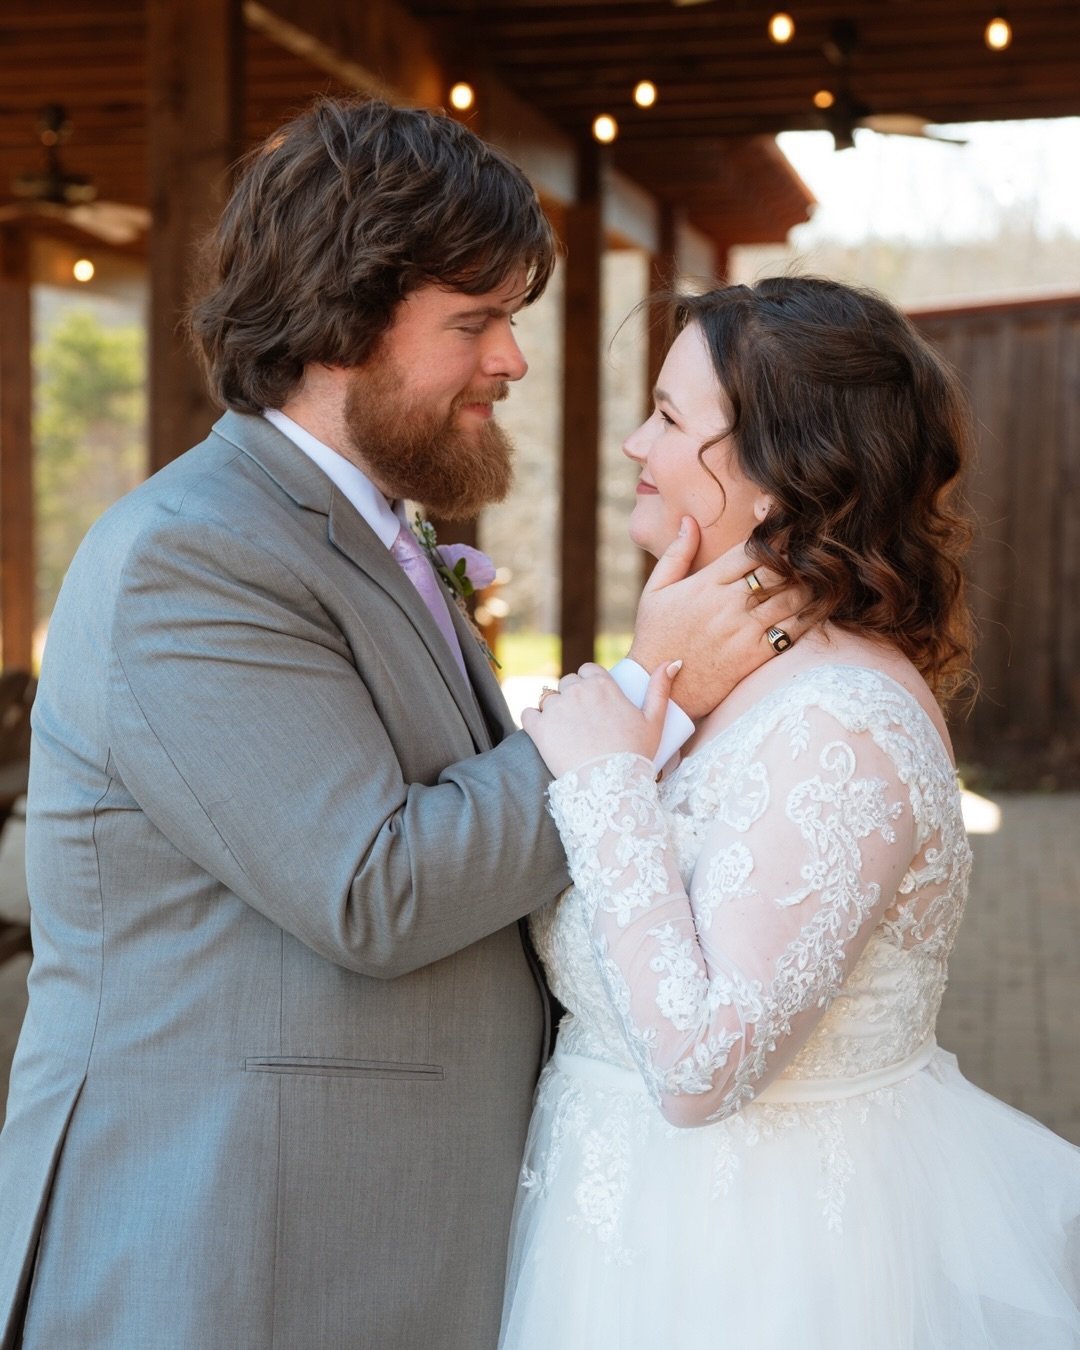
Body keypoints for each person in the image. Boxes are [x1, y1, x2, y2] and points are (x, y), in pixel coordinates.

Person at [0, 99, 805, 1350]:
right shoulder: (190, 558)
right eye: (474, 323)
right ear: (338, 323)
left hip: (359, 1234)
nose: (513, 361)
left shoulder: (366, 528)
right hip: (227, 1248)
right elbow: (375, 888)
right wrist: (647, 691)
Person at [501, 276, 1080, 1349]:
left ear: (777, 478)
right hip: (622, 1235)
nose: (634, 443)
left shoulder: (843, 724)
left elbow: (703, 1066)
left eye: (667, 416)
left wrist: (605, 784)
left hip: (769, 1269)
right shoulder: (729, 682)